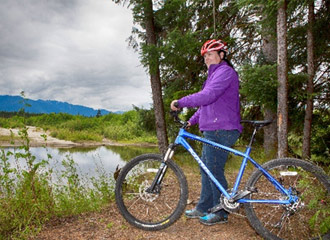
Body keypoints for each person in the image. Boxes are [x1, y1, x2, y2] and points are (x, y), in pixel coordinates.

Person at [170, 39, 242, 225]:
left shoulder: (225, 72)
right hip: (213, 128)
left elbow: (208, 95)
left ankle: (221, 212)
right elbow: (206, 105)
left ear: (222, 55)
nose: (206, 59)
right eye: (205, 56)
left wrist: (181, 102)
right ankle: (204, 206)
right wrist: (191, 122)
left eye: (210, 54)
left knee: (213, 169)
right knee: (206, 168)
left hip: (222, 129)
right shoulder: (213, 76)